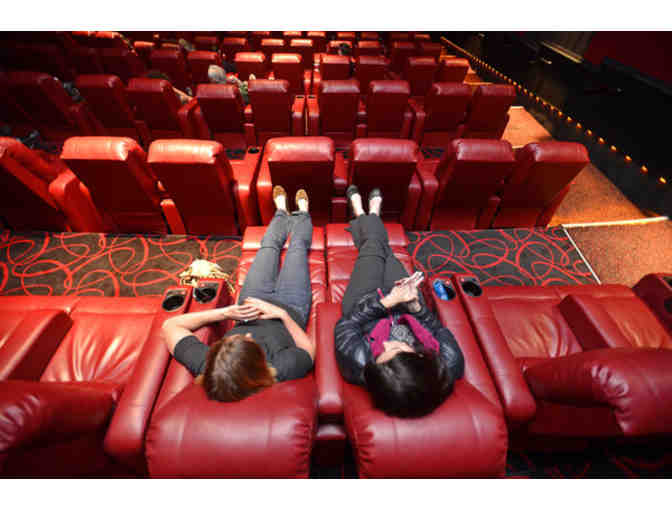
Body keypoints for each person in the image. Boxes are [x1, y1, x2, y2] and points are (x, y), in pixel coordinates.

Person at [162, 186, 315, 402]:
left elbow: (170, 326)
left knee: (268, 247)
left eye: (231, 340)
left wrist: (225, 313)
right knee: (297, 248)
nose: (248, 333)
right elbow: (308, 351)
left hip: (252, 299)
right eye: (248, 342)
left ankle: (281, 212)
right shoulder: (281, 368)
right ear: (260, 364)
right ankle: (303, 213)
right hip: (290, 307)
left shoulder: (211, 366)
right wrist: (282, 315)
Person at [334, 185, 465, 418]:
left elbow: (346, 325)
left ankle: (364, 214)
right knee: (388, 254)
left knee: (373, 248)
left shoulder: (359, 365)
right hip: (407, 305)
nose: (385, 345)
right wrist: (417, 307)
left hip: (364, 302)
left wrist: (387, 301)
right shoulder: (450, 362)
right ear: (421, 358)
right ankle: (368, 216)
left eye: (380, 356)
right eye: (396, 348)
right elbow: (436, 328)